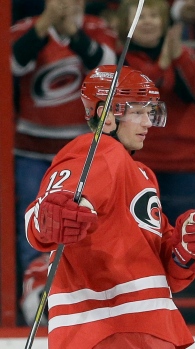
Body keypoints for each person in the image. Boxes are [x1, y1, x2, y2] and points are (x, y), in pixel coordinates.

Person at [24, 65, 195, 349]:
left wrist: (186, 250)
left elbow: (167, 275)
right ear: (106, 117)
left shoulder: (140, 173)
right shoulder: (96, 153)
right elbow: (44, 216)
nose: (147, 123)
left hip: (145, 329)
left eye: (150, 112)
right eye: (138, 112)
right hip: (107, 330)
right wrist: (48, 218)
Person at [11, 0, 116, 286]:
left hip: (82, 148)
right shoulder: (24, 28)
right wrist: (44, 25)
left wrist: (75, 34)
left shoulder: (96, 28)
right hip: (32, 147)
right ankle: (35, 290)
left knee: (84, 220)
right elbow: (13, 64)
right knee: (34, 222)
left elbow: (108, 68)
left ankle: (84, 288)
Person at [117, 0, 195, 221]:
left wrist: (178, 56)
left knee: (190, 241)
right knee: (141, 243)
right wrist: (165, 61)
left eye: (154, 16)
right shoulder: (118, 60)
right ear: (126, 24)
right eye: (140, 17)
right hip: (138, 162)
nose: (148, 22)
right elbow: (147, 93)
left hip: (186, 162)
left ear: (164, 22)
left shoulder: (185, 54)